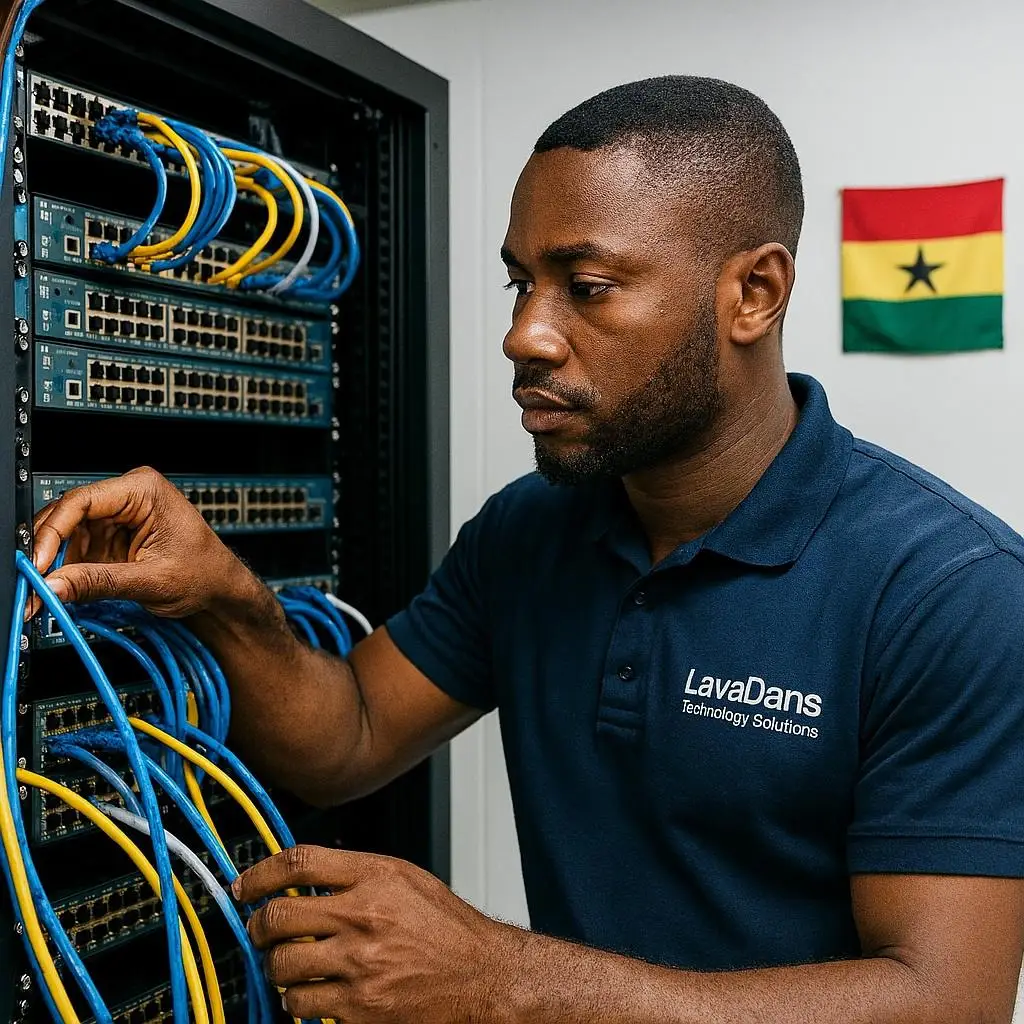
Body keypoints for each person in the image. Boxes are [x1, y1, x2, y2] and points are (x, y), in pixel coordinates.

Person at [32, 76, 1024, 1023]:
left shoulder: (948, 591)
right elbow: (350, 735)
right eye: (521, 282)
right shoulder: (531, 532)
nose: (524, 335)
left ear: (753, 293)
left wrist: (505, 985)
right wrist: (220, 593)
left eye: (586, 286)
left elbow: (942, 1003)